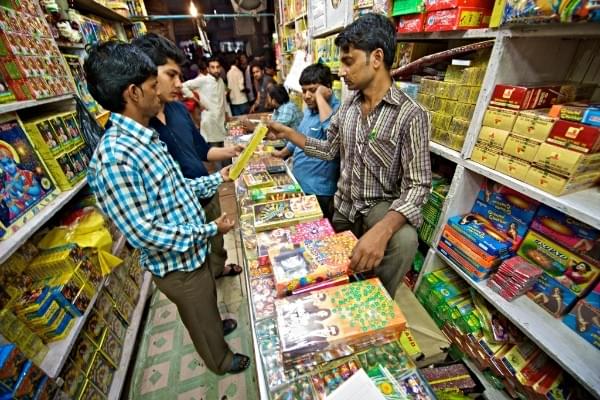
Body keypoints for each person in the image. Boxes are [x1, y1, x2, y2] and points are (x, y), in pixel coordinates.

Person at [84, 41, 250, 374]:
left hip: (192, 251)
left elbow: (176, 189)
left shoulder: (144, 137)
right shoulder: (116, 157)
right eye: (151, 86)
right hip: (176, 265)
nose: (159, 93)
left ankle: (215, 327)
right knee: (198, 313)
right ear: (133, 93)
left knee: (206, 302)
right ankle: (219, 358)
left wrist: (218, 180)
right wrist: (209, 229)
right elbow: (143, 231)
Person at [268, 14, 432, 297]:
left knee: (405, 240)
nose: (342, 72)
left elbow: (418, 185)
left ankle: (376, 298)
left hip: (377, 207)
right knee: (331, 284)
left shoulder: (411, 115)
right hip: (343, 208)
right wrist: (288, 133)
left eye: (348, 61)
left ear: (376, 58)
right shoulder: (347, 108)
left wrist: (383, 231)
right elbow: (329, 150)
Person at [132, 33, 244, 280]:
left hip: (206, 188)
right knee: (194, 264)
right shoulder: (141, 127)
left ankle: (219, 269)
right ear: (146, 74)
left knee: (216, 242)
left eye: (179, 76)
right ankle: (206, 282)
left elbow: (202, 150)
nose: (179, 83)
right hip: (179, 208)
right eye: (171, 75)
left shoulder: (178, 110)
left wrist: (234, 151)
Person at [272, 64, 341, 221]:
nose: (307, 95)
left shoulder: (337, 111)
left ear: (327, 88)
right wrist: (283, 153)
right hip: (300, 184)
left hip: (319, 192)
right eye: (304, 91)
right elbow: (300, 135)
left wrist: (321, 98)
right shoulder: (310, 110)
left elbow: (332, 135)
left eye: (313, 90)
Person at [183, 56, 231, 168]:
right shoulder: (203, 80)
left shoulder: (221, 81)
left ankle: (229, 177)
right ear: (208, 69)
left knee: (226, 153)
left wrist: (227, 116)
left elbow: (223, 101)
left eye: (217, 67)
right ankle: (221, 179)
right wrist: (196, 100)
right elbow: (184, 86)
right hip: (210, 122)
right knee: (216, 154)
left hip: (221, 121)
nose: (215, 70)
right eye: (212, 67)